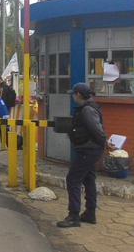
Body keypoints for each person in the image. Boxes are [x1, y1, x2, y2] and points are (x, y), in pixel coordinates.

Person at [57, 83, 115, 228]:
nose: (72, 96)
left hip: (89, 150)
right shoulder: (87, 108)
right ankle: (90, 213)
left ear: (78, 95)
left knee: (73, 179)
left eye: (73, 94)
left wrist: (105, 143)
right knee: (88, 179)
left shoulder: (87, 110)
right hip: (89, 149)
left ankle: (73, 216)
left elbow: (97, 130)